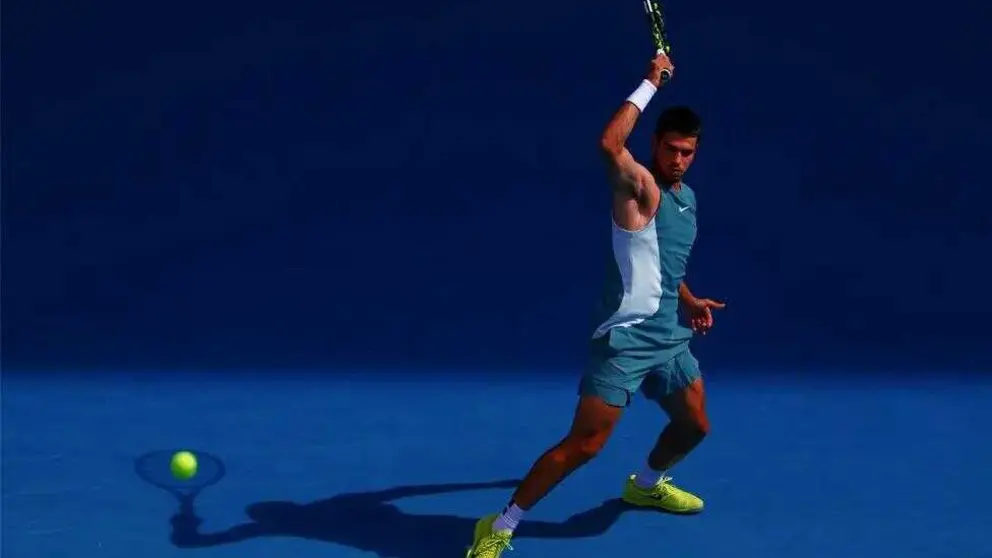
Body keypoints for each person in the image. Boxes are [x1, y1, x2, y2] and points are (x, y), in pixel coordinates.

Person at [465, 51, 726, 558]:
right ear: (655, 144)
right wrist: (651, 82)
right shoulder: (638, 186)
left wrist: (690, 300)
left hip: (669, 336)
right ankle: (499, 525)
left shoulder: (687, 200)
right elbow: (609, 143)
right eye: (670, 149)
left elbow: (664, 266)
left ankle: (645, 484)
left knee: (694, 425)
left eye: (687, 152)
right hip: (625, 342)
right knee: (584, 445)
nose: (677, 160)